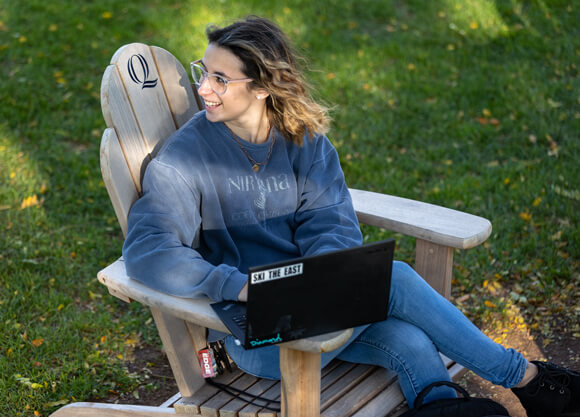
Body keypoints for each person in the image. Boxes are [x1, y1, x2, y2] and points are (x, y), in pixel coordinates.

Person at [122, 16, 579, 416]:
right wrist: (238, 286)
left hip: (314, 307)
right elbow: (149, 251)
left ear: (262, 88)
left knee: (410, 341)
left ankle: (441, 407)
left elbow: (332, 226)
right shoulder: (183, 161)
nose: (203, 88)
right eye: (204, 72)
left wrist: (319, 282)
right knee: (394, 281)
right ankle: (529, 380)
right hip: (255, 337)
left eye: (220, 79)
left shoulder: (306, 144)